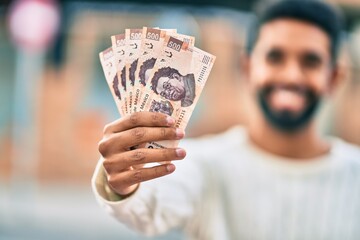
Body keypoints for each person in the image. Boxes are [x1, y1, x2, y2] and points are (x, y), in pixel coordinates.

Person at [92, 1, 360, 239]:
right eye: (275, 57)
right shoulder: (202, 164)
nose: (291, 76)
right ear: (247, 68)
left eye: (310, 61)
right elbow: (149, 207)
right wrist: (123, 182)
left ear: (334, 78)